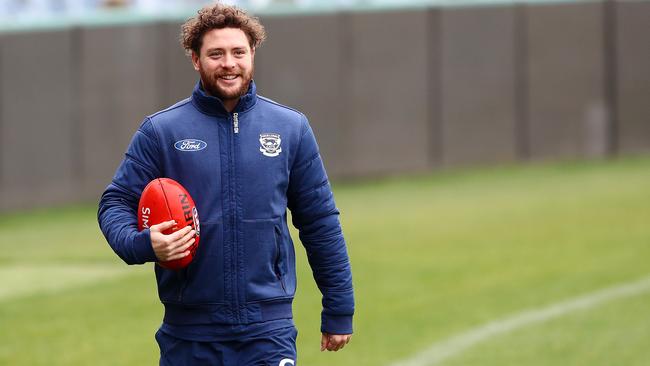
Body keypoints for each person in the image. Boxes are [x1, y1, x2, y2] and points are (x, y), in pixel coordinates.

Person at [97, 2, 354, 365]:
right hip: (189, 334)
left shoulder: (290, 127)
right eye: (215, 53)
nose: (229, 63)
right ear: (195, 60)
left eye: (238, 52)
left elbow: (320, 222)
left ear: (252, 54)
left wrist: (339, 308)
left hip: (268, 330)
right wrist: (145, 244)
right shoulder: (161, 131)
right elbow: (115, 203)